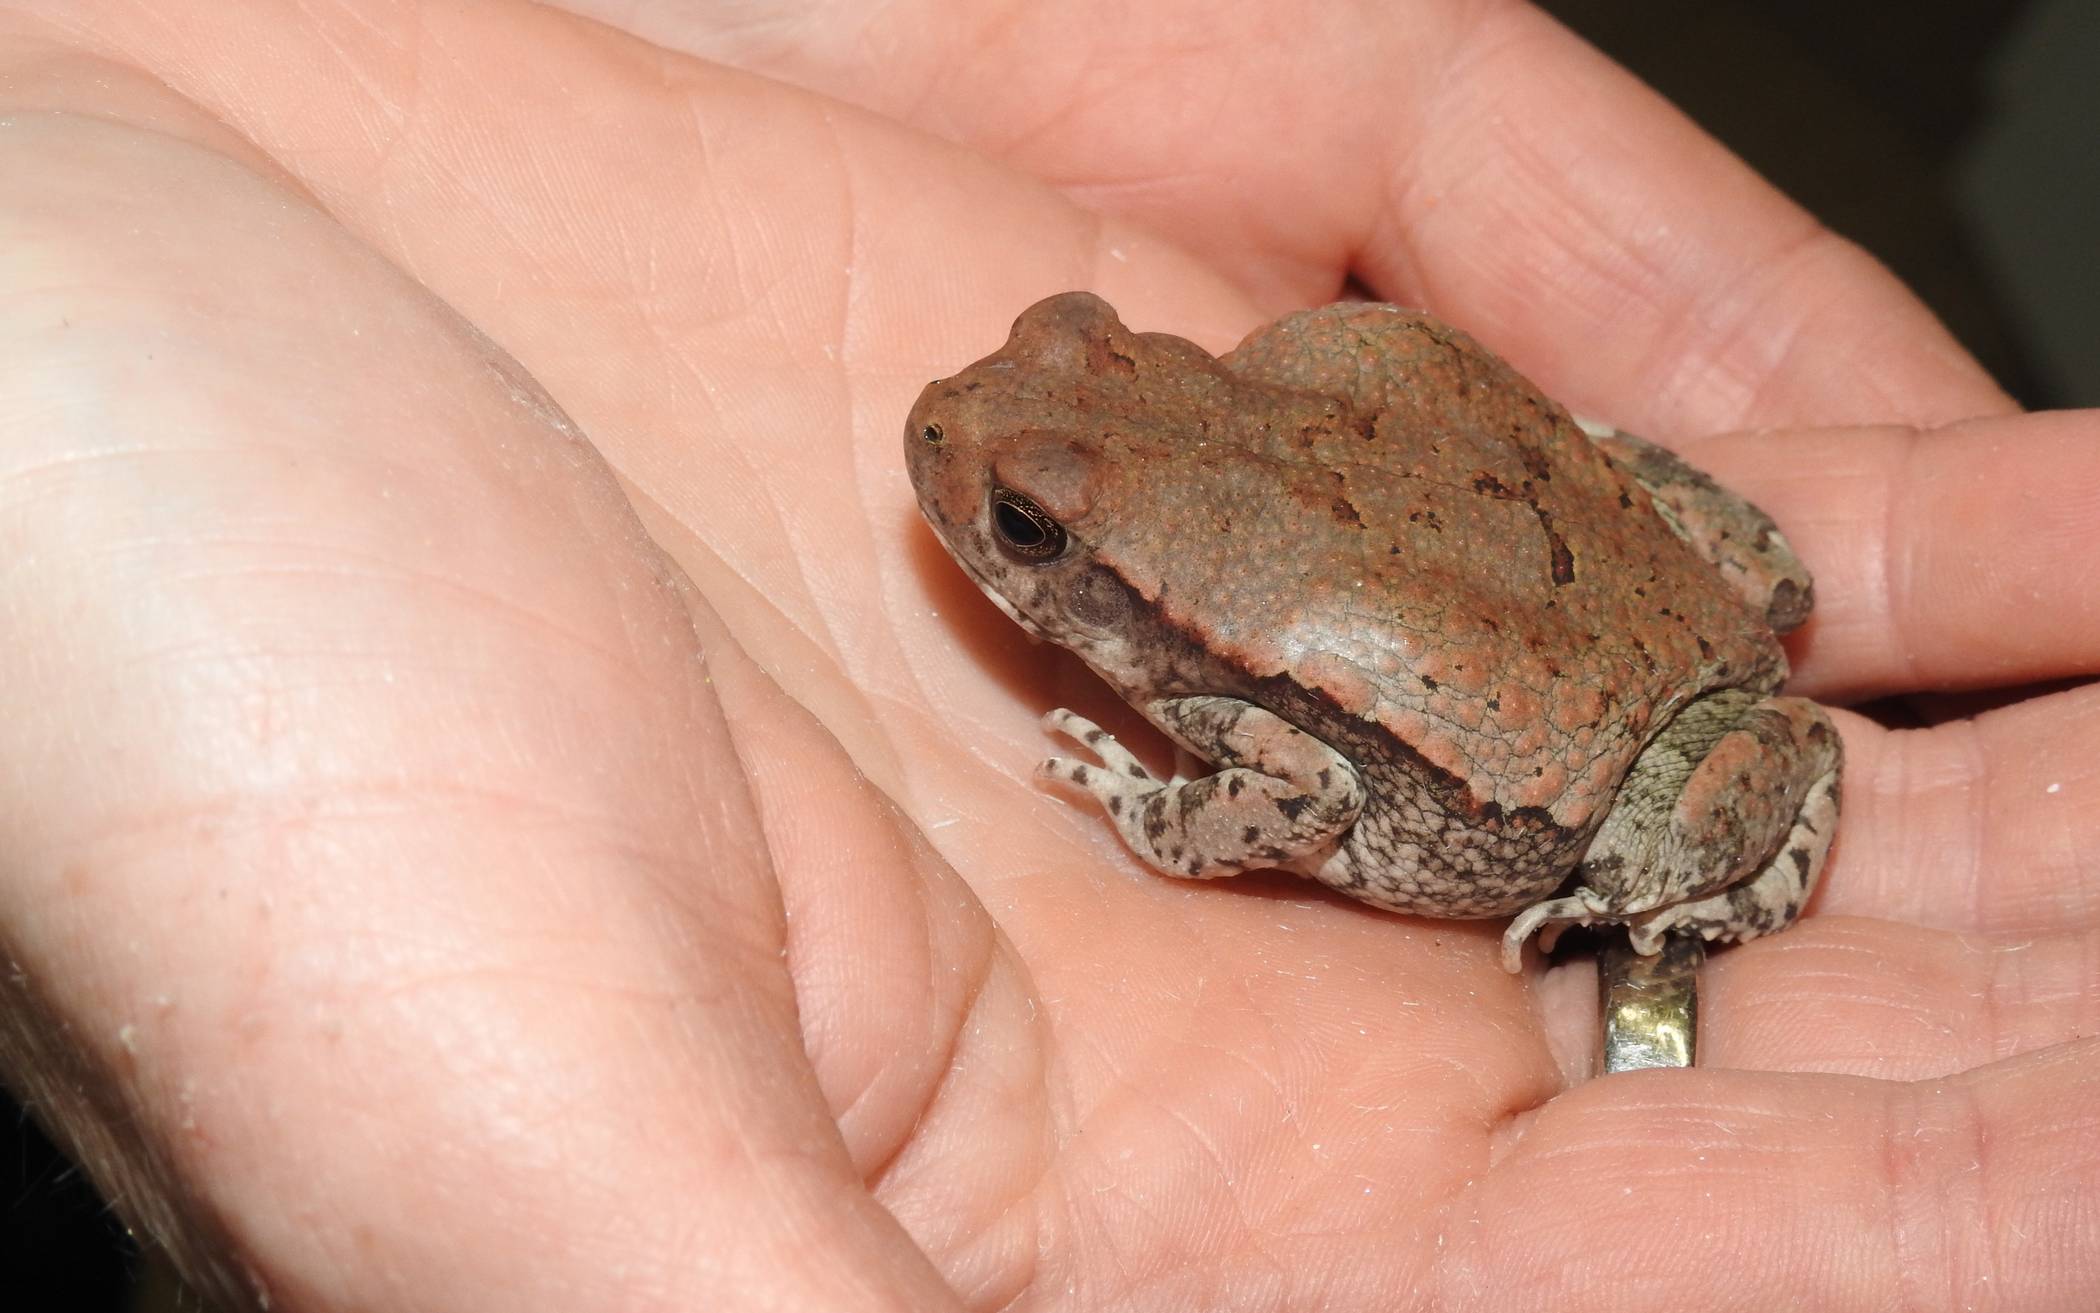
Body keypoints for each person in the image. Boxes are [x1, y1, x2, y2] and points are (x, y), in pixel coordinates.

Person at [2, 1, 2093, 1307]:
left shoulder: (1223, 679)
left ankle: (1672, 880)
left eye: (1026, 526)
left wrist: (1165, 809)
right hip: (1558, 556)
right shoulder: (1207, 506)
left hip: (1617, 748)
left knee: (1668, 822)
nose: (960, 454)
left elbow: (1287, 781)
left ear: (1123, 599)